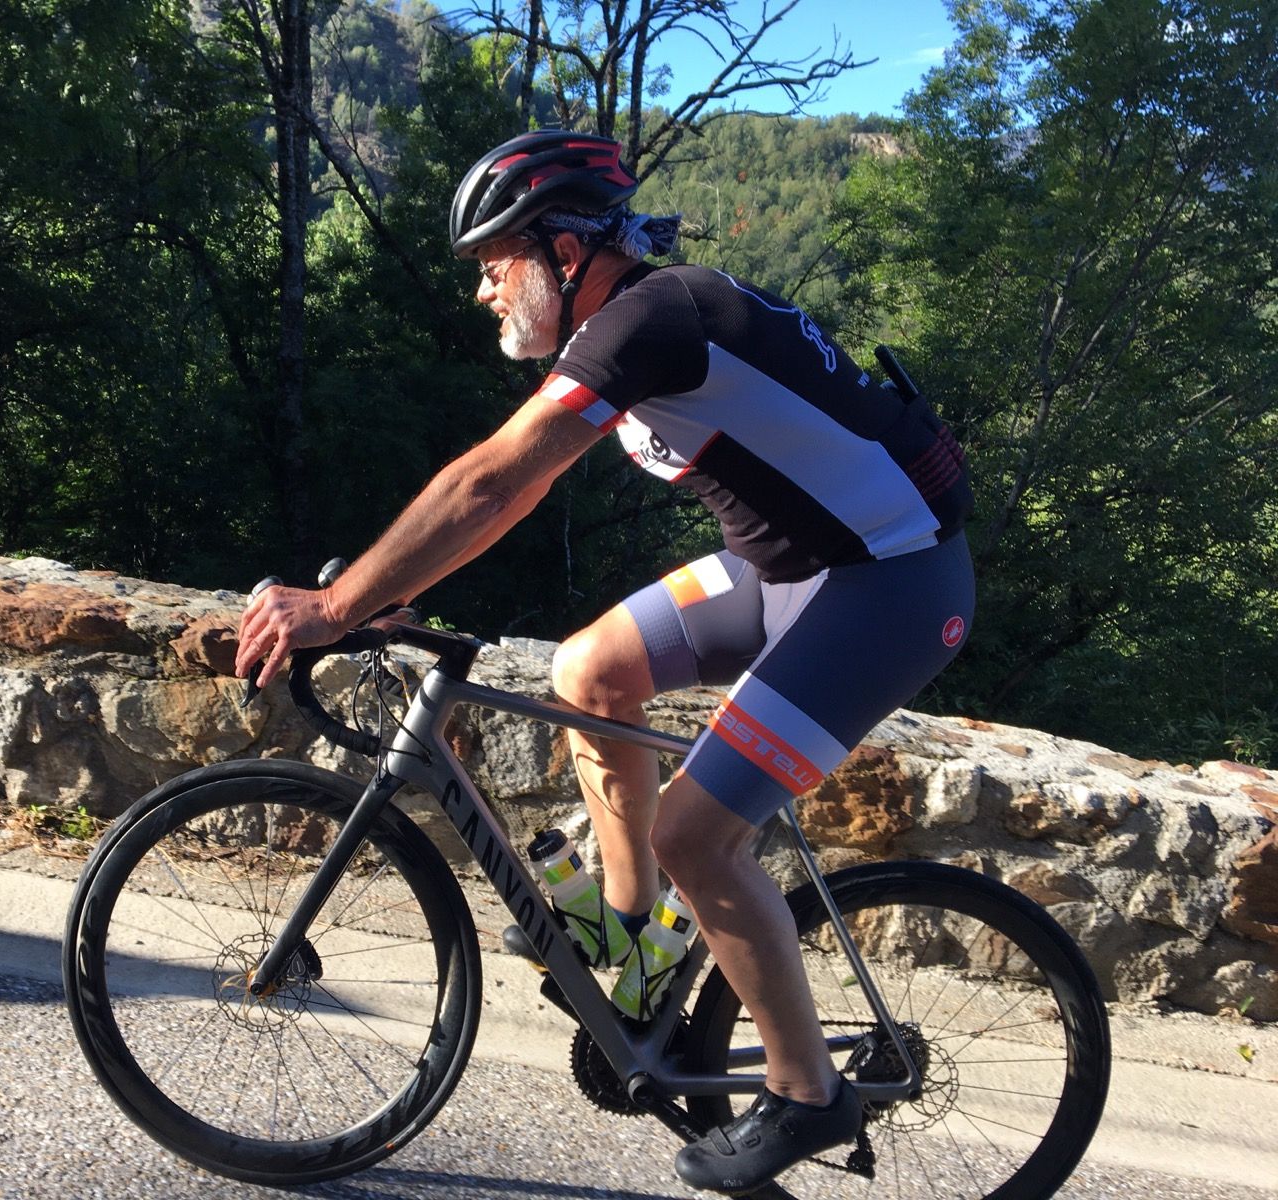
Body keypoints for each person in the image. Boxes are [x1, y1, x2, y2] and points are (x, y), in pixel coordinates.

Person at [235, 129, 975, 1195]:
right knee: (589, 671)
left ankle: (808, 1093)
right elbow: (506, 487)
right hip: (791, 567)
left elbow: (496, 482)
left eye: (497, 264)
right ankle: (634, 941)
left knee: (697, 836)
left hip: (891, 586)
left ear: (567, 250)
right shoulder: (629, 321)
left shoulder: (651, 320)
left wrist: (341, 605)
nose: (484, 291)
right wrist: (383, 589)